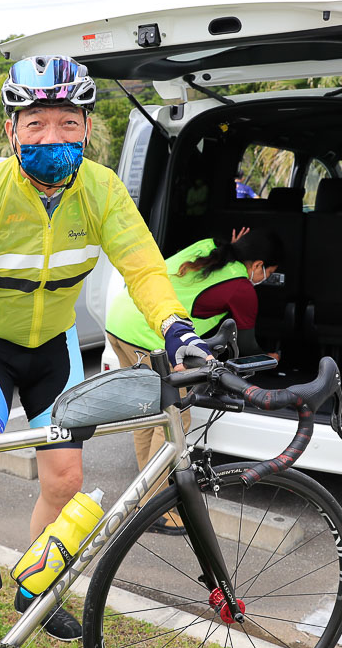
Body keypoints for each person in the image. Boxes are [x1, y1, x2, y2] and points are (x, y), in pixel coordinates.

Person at [0, 55, 212, 641]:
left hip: (54, 344)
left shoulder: (101, 188)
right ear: (11, 128)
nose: (53, 136)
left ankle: (32, 594)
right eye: (36, 122)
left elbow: (142, 265)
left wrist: (174, 325)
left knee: (66, 479)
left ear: (88, 127)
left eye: (68, 122)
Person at [104, 227, 284, 533]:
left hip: (120, 319)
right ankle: (153, 507)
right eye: (268, 272)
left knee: (148, 412)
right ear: (257, 266)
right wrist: (273, 357)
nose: (265, 277)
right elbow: (249, 347)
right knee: (175, 418)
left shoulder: (207, 245)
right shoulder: (242, 289)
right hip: (150, 336)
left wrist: (236, 243)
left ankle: (143, 492)